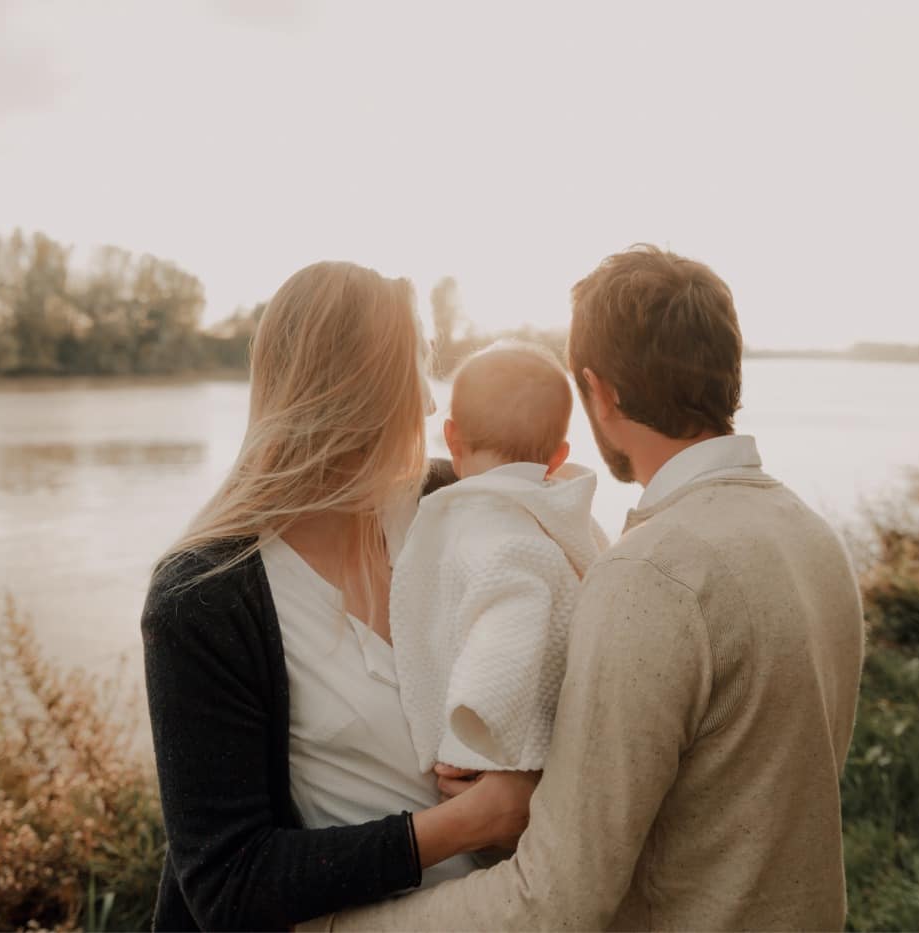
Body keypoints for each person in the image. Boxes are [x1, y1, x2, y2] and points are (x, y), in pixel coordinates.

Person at [305, 245, 867, 931]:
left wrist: (333, 928)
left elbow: (553, 898)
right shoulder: (814, 536)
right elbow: (726, 790)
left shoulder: (650, 575)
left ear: (601, 393)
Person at [139, 261, 537, 932]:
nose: (433, 404)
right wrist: (466, 824)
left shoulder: (451, 505)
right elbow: (228, 881)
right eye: (417, 369)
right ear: (361, 393)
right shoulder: (203, 595)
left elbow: (558, 547)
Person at [390, 342, 605, 777]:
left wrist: (472, 735)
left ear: (451, 438)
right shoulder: (555, 517)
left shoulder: (498, 532)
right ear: (559, 457)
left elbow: (510, 621)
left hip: (499, 749)